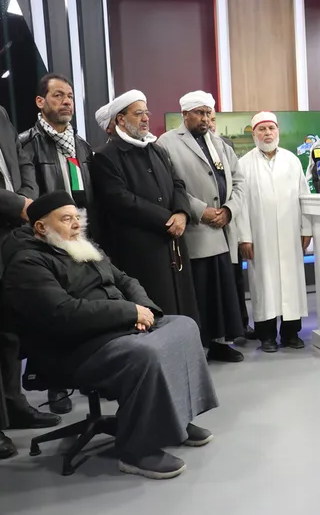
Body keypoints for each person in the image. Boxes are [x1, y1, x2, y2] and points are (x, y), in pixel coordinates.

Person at [1, 191, 218, 479]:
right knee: (145, 354)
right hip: (73, 348)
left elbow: (125, 280)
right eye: (66, 219)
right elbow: (64, 313)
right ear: (41, 227)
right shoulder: (27, 262)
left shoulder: (84, 246)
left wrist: (146, 311)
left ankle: (175, 422)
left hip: (116, 328)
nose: (76, 224)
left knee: (185, 328)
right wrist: (129, 313)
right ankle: (137, 452)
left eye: (77, 218)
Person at [91, 89, 201, 353]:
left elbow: (178, 184)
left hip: (173, 241)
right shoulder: (106, 156)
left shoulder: (156, 150)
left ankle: (186, 354)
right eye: (138, 113)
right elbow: (121, 200)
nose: (145, 118)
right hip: (142, 249)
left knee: (182, 306)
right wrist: (167, 219)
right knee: (156, 308)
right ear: (120, 119)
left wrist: (182, 213)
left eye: (146, 112)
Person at [17, 73, 97, 415]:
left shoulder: (81, 145)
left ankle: (90, 371)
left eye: (70, 96)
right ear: (40, 102)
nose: (66, 102)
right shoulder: (26, 144)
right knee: (55, 312)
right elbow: (29, 199)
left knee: (87, 303)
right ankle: (55, 384)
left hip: (83, 235)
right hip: (48, 240)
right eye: (58, 95)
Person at [157, 91, 246, 363]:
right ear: (185, 114)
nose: (205, 118)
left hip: (223, 229)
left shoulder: (220, 143)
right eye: (199, 113)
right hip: (196, 231)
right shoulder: (167, 143)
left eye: (208, 113)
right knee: (200, 292)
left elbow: (239, 181)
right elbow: (169, 185)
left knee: (223, 291)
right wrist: (200, 211)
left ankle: (221, 343)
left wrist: (229, 210)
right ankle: (198, 346)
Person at [0, 103, 57, 460]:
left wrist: (26, 198)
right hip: (9, 215)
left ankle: (13, 404)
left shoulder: (2, 114)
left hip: (11, 233)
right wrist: (16, 204)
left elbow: (21, 161)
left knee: (8, 328)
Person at [235, 112, 311, 353]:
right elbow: (240, 204)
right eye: (262, 129)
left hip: (290, 234)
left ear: (277, 131)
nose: (267, 133)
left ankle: (291, 333)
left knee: (291, 283)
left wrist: (306, 228)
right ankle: (266, 336)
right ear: (254, 134)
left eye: (271, 128)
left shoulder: (292, 160)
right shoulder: (243, 164)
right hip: (260, 237)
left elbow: (304, 196)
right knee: (263, 286)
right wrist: (244, 237)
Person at [209, 108, 253, 339]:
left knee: (236, 277)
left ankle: (241, 325)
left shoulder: (225, 145)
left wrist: (228, 210)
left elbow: (236, 182)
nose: (210, 123)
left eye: (213, 119)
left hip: (229, 220)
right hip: (206, 223)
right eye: (206, 118)